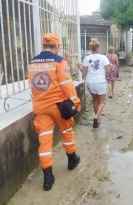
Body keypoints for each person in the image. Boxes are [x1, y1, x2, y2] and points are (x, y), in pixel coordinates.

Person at [28, 33, 81, 191]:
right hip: (59, 106)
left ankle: (48, 178)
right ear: (57, 46)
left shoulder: (32, 62)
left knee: (44, 141)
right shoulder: (59, 61)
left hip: (40, 107)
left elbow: (34, 85)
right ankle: (72, 160)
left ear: (44, 45)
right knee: (67, 131)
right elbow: (67, 84)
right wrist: (76, 102)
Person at [79, 38, 111, 128]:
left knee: (95, 100)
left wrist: (79, 67)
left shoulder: (86, 58)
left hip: (90, 81)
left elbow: (84, 72)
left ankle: (98, 117)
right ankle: (96, 116)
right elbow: (108, 70)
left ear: (90, 48)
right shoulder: (103, 57)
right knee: (102, 102)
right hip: (100, 81)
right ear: (98, 47)